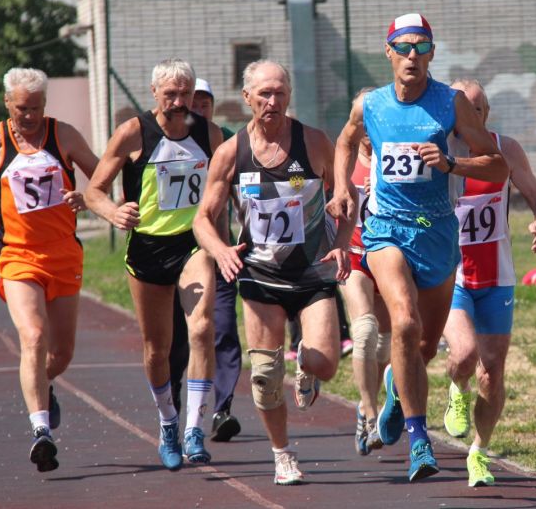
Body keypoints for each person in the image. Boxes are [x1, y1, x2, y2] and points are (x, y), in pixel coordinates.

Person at [328, 13, 509, 482]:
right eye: (404, 47)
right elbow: (345, 142)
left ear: (432, 53)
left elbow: (496, 167)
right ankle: (419, 441)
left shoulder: (451, 104)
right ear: (387, 51)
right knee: (403, 322)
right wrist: (344, 188)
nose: (413, 56)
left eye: (422, 47)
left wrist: (452, 163)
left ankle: (394, 391)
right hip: (386, 229)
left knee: (424, 346)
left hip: (438, 234)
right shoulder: (370, 104)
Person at [193, 60, 351, 486]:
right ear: (247, 99)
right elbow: (202, 219)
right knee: (263, 377)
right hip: (260, 274)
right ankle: (282, 455)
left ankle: (306, 370)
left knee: (327, 363)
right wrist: (221, 249)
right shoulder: (230, 154)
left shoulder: (314, 143)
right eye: (264, 93)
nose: (272, 101)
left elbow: (346, 198)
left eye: (280, 92)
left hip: (312, 272)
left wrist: (341, 239)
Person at [85, 59, 222, 470]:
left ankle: (195, 429)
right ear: (154, 94)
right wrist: (113, 212)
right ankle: (168, 421)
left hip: (192, 244)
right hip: (146, 249)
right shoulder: (134, 133)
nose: (180, 102)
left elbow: (227, 177)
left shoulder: (207, 132)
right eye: (171, 95)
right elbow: (94, 190)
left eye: (186, 94)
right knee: (156, 348)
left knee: (201, 329)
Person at [0, 67, 99, 472]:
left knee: (61, 352)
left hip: (63, 255)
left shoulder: (64, 135)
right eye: (22, 108)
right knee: (34, 336)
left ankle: (41, 384)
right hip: (18, 256)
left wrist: (86, 197)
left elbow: (100, 176)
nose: (30, 116)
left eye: (37, 108)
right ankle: (42, 432)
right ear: (8, 103)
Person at [441, 79, 536, 487]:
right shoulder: (440, 153)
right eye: (466, 111)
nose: (475, 117)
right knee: (465, 353)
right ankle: (455, 386)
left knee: (493, 371)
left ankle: (479, 452)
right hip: (452, 275)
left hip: (497, 277)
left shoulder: (506, 149)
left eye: (480, 109)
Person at [168, 78, 243, 442]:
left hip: (220, 254)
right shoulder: (167, 139)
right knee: (180, 341)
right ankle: (177, 409)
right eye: (191, 102)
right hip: (177, 257)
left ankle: (222, 408)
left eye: (204, 103)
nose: (197, 109)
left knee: (223, 330)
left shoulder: (226, 141)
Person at [339, 89, 392, 457]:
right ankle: (371, 416)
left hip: (387, 257)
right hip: (355, 257)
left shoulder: (395, 157)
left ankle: (363, 402)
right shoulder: (342, 159)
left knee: (388, 346)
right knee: (364, 332)